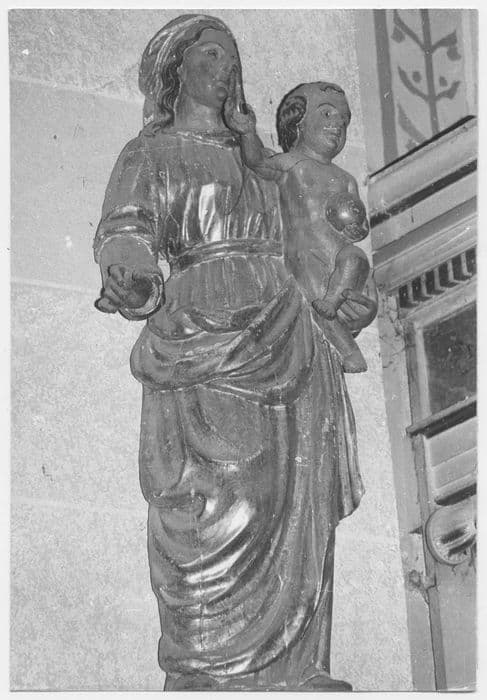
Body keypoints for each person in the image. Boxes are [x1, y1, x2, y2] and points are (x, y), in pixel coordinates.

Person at [93, 14, 377, 692]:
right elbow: (126, 229)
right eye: (210, 54)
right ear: (176, 70)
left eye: (231, 57)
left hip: (288, 329)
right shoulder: (152, 151)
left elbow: (316, 236)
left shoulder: (267, 164)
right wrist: (131, 272)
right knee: (220, 500)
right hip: (205, 324)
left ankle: (296, 666)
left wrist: (342, 292)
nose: (224, 69)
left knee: (293, 499)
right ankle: (208, 670)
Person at [225, 80, 370, 372]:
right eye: (327, 114)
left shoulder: (346, 179)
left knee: (357, 258)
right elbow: (256, 162)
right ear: (298, 122)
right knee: (315, 295)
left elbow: (360, 223)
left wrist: (358, 229)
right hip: (305, 254)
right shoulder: (292, 164)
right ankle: (349, 352)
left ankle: (335, 302)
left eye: (344, 120)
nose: (337, 125)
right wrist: (248, 131)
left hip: (338, 251)